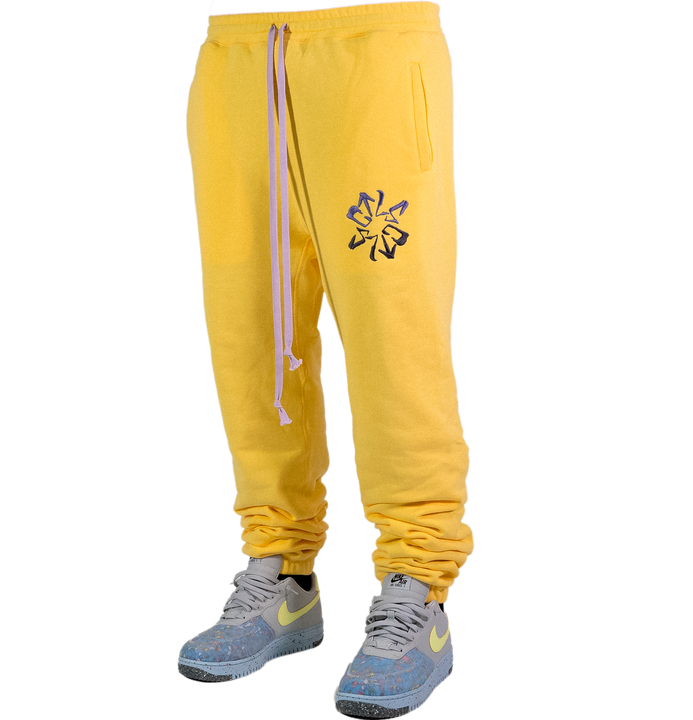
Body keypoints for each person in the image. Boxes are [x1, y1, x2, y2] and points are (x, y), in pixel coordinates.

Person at [176, 1, 475, 716]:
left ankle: (418, 588)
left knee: (393, 329)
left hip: (374, 39)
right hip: (235, 52)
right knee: (249, 325)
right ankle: (282, 572)